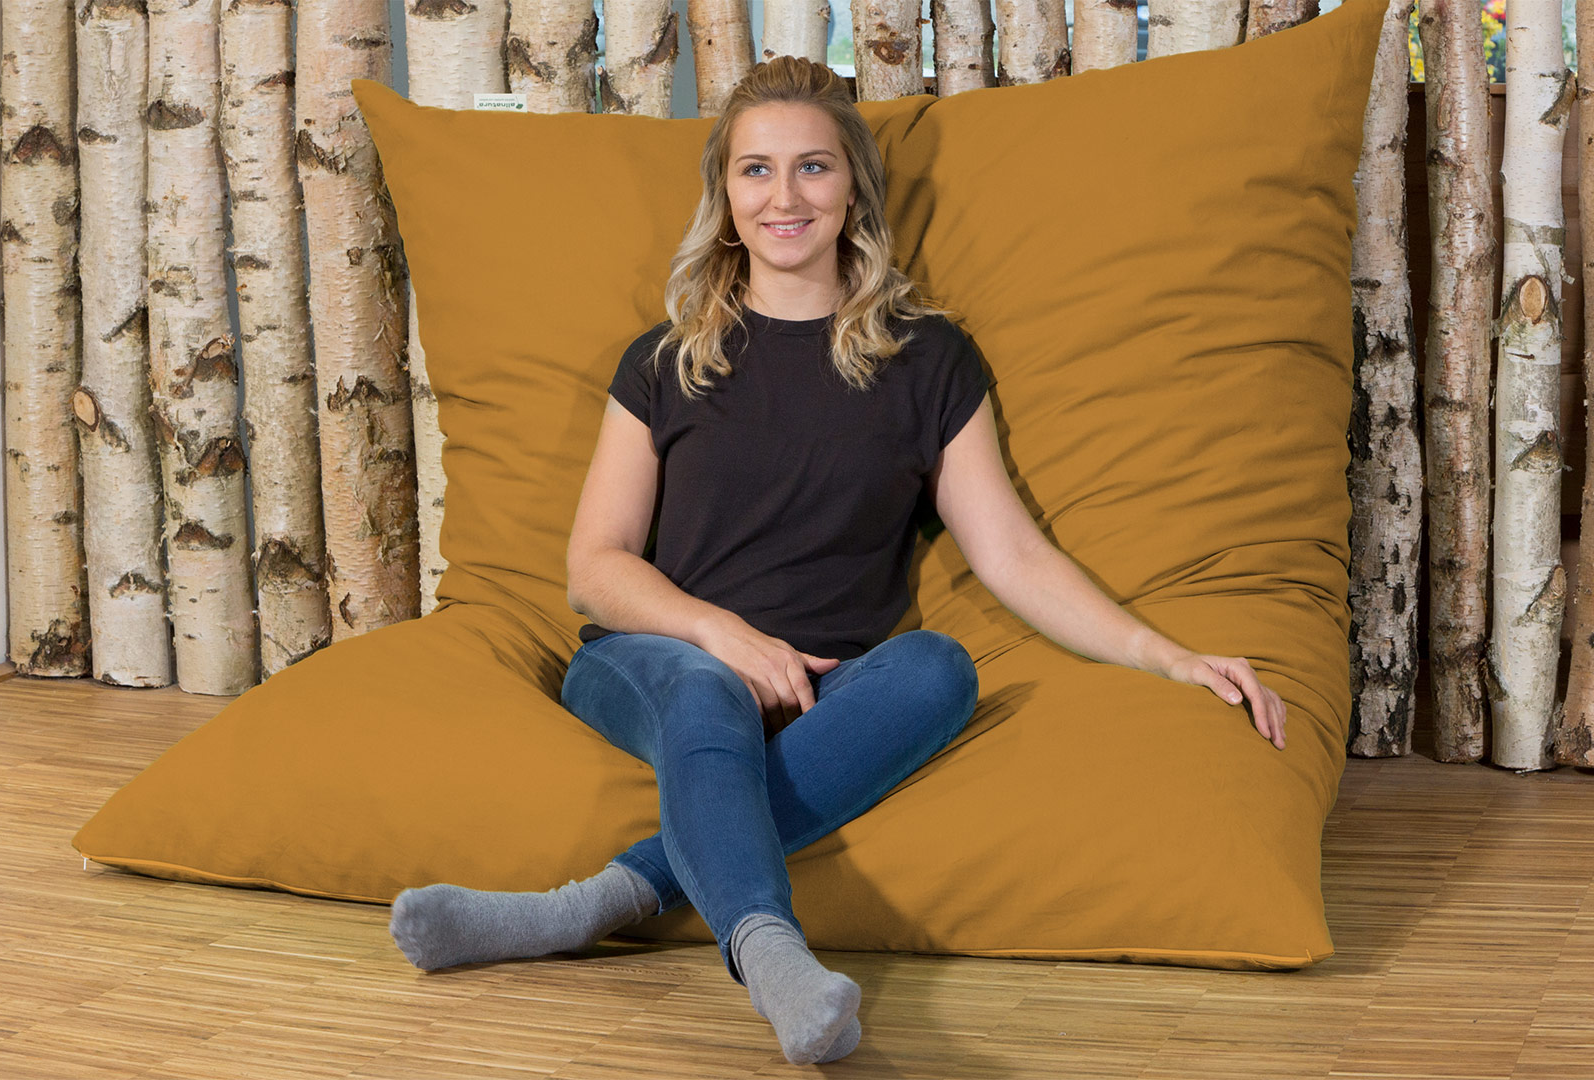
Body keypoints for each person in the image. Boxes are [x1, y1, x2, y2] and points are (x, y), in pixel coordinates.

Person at [387, 55, 1288, 1066]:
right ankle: (772, 959)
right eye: (756, 170)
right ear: (726, 198)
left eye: (812, 167)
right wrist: (724, 637)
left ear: (853, 187)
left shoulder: (929, 359)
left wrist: (1169, 656)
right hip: (650, 661)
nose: (785, 196)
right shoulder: (665, 359)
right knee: (706, 692)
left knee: (939, 669)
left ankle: (590, 906)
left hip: (825, 684)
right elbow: (594, 568)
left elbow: (1013, 555)